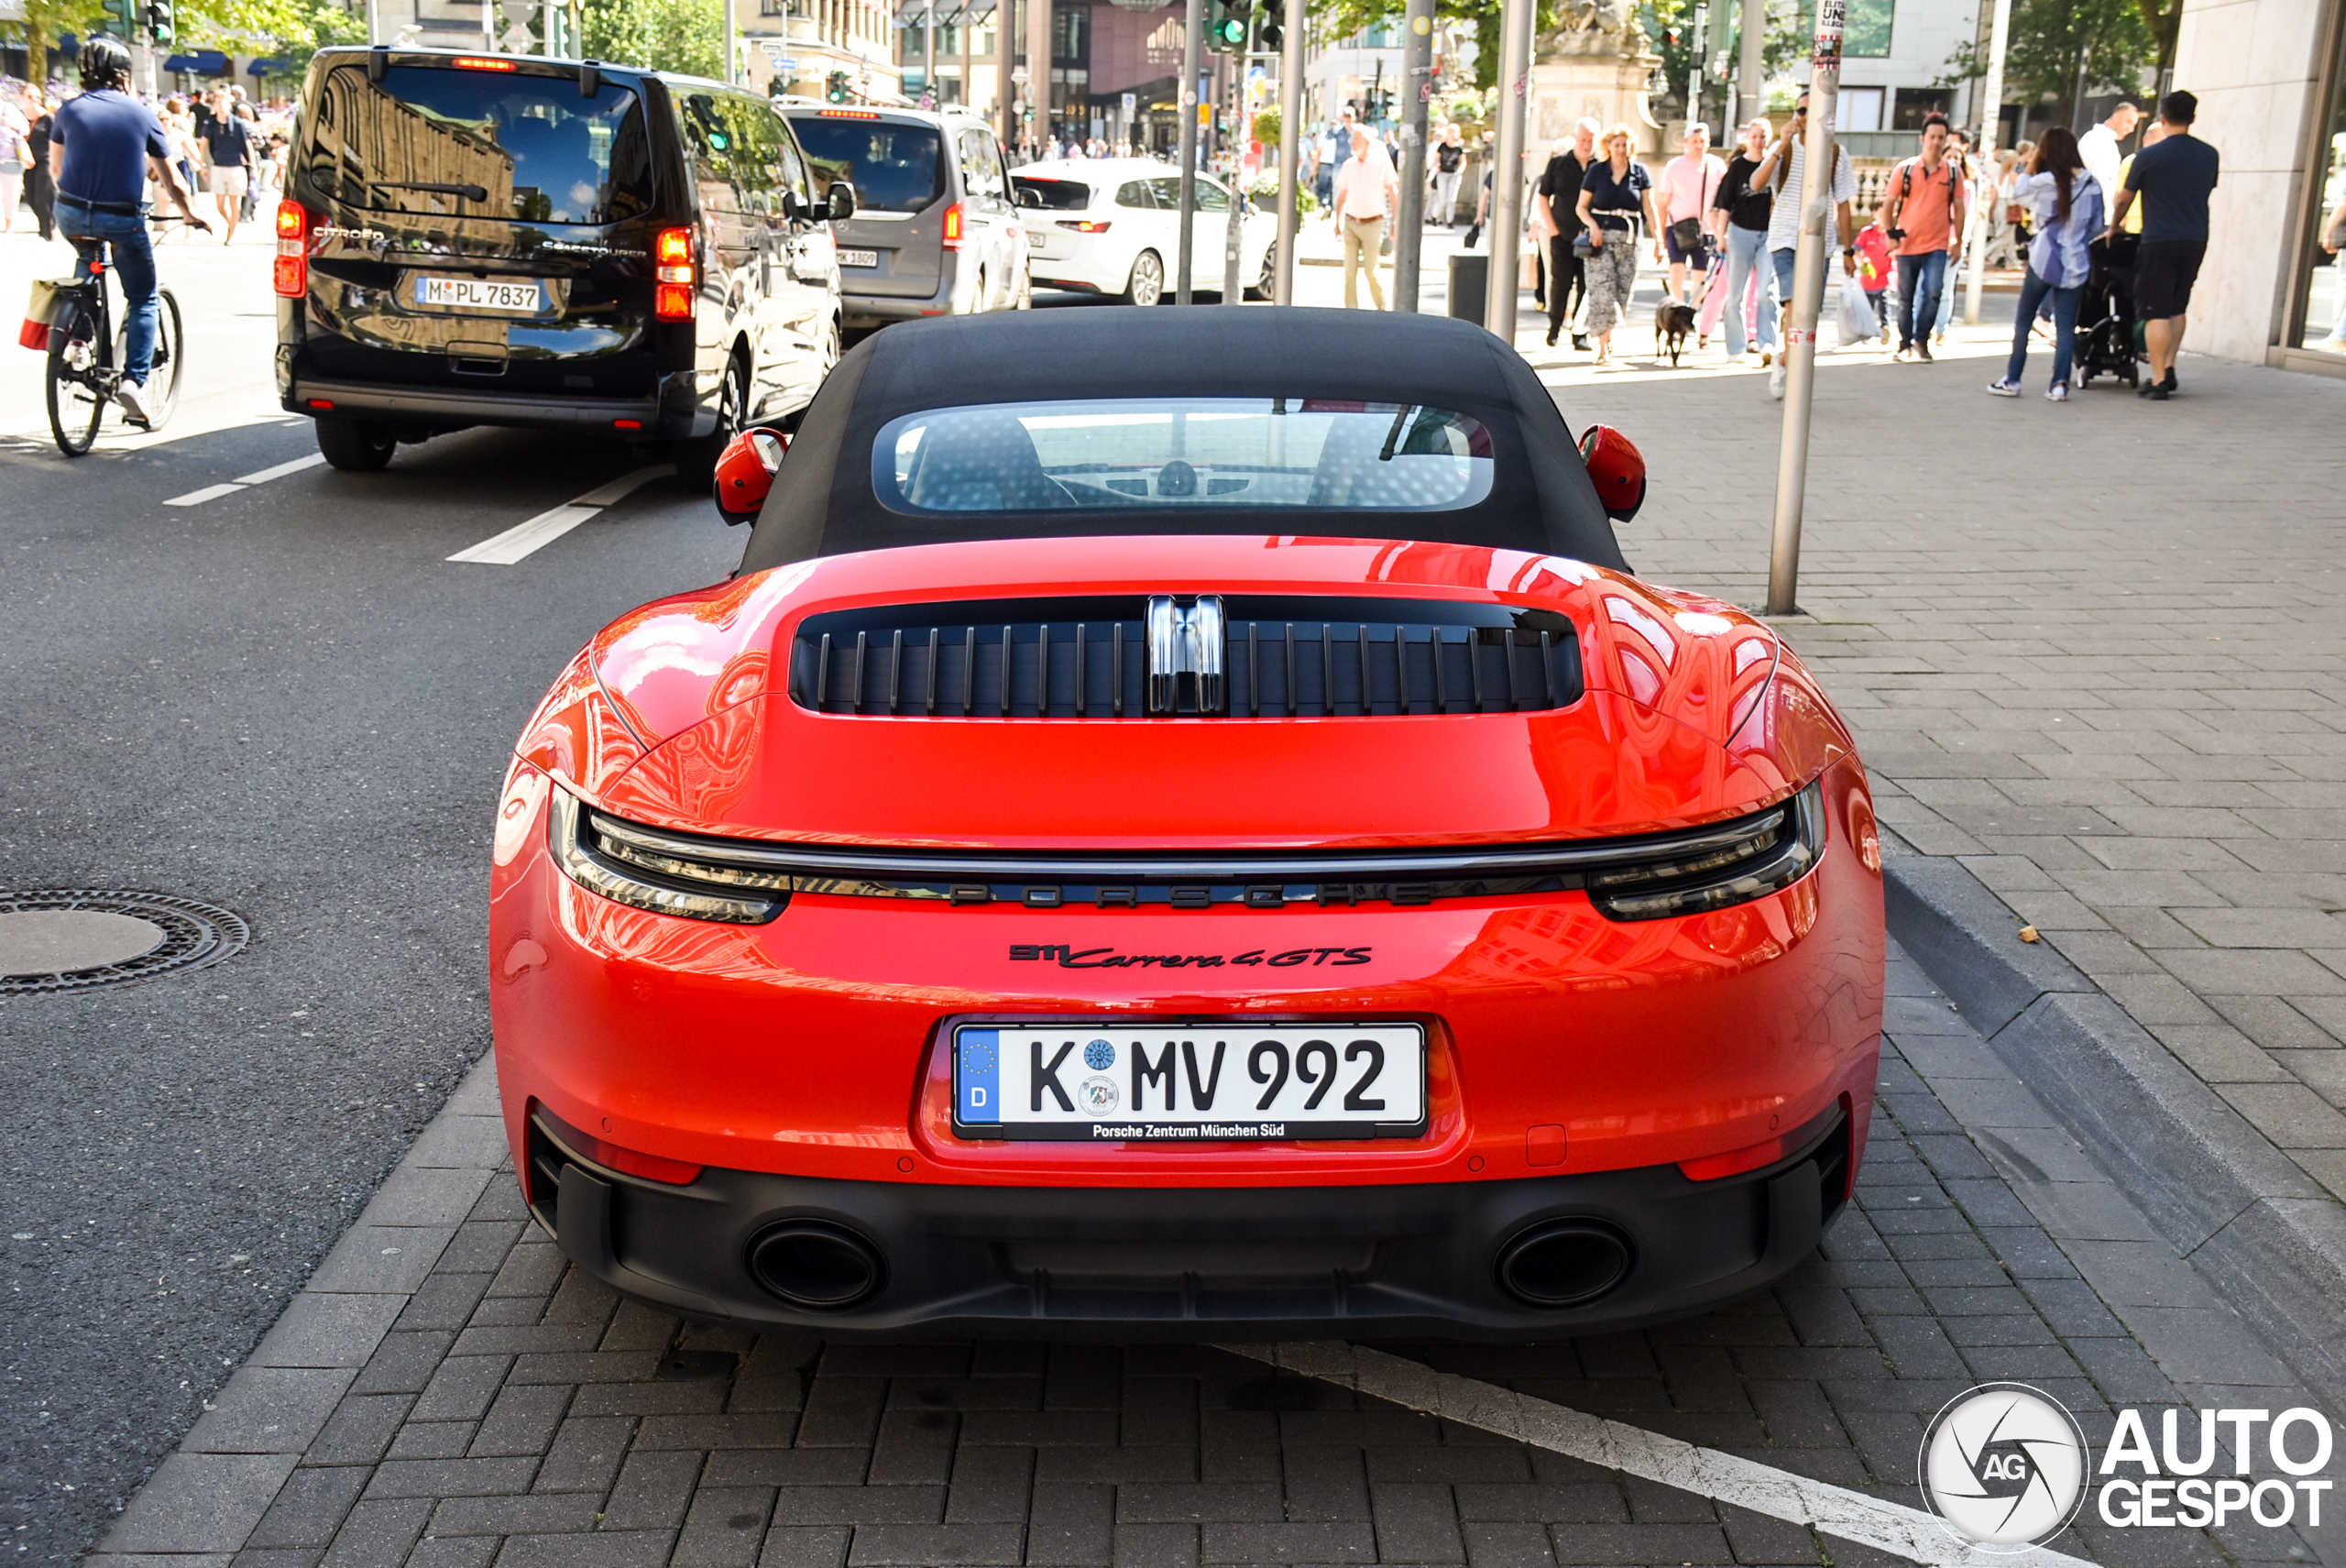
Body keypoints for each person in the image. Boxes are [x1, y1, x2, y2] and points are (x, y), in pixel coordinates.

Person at [45, 37, 212, 425]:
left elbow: (55, 171)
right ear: (123, 75)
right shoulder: (141, 115)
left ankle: (78, 338)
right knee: (143, 297)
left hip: (70, 214)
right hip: (121, 218)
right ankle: (134, 382)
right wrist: (189, 213)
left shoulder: (67, 111)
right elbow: (171, 178)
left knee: (88, 260)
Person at [2108, 89, 2218, 400]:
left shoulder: (2148, 156)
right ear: (2193, 118)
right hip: (2196, 237)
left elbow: (2124, 200)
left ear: (2163, 117)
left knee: (2155, 310)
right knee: (2177, 305)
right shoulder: (2209, 155)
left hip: (2158, 239)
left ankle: (2157, 380)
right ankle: (2169, 367)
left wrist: (2114, 226)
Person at [1751, 89, 1858, 398]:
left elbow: (1846, 203)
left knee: (1808, 311)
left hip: (1820, 243)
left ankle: (1786, 359)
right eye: (1800, 112)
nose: (1804, 118)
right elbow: (1756, 184)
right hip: (1784, 236)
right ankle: (1794, 368)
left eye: (1811, 111)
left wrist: (1848, 251)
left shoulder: (1836, 153)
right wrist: (1782, 143)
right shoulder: (1784, 148)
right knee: (1793, 304)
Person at [1986, 126, 2103, 402]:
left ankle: (2013, 379)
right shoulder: (2091, 184)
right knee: (2064, 327)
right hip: (2075, 263)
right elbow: (2097, 227)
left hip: (2044, 259)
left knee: (2024, 319)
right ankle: (2059, 384)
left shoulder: (2045, 181)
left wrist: (2034, 161)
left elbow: (2019, 191)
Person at [1874, 111, 1967, 361]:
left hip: (1937, 243)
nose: (1936, 142)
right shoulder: (1905, 170)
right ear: (1922, 138)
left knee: (1934, 291)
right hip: (1907, 243)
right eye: (1932, 137)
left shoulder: (1953, 172)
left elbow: (1959, 208)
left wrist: (1957, 240)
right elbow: (1889, 202)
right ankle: (1904, 343)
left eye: (1941, 137)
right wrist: (1890, 233)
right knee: (1905, 297)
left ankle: (1922, 340)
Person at [1573, 122, 1661, 367]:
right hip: (1600, 239)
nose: (1622, 149)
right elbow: (1581, 206)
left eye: (1625, 145)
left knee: (1621, 293)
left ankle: (1608, 335)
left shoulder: (1640, 172)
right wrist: (1592, 226)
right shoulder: (1596, 171)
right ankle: (1603, 347)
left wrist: (1659, 240)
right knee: (1602, 292)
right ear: (1608, 147)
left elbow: (1650, 208)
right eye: (1617, 145)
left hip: (1630, 238)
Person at [1705, 116, 1778, 363]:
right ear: (1748, 139)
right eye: (1754, 136)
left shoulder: (1774, 164)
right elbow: (1724, 204)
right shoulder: (1738, 167)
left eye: (1763, 137)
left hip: (1768, 234)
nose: (1758, 141)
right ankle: (1735, 348)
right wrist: (1720, 237)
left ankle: (1768, 342)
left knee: (1766, 290)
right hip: (1740, 232)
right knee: (1735, 293)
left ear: (1769, 139)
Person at [1535, 118, 1598, 347]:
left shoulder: (1599, 166)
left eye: (1590, 140)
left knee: (1586, 284)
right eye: (1583, 139)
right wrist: (1552, 229)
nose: (1586, 144)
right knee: (1560, 283)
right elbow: (1543, 197)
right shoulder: (1558, 163)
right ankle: (1554, 328)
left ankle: (1580, 334)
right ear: (1576, 139)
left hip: (1591, 238)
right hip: (1562, 234)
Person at [1657, 120, 1723, 307]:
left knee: (1701, 275)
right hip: (1677, 226)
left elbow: (1725, 199)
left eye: (1702, 141)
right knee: (1676, 272)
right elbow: (1662, 202)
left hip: (1705, 229)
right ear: (1685, 143)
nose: (1698, 145)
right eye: (1694, 141)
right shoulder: (1674, 166)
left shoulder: (1717, 166)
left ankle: (1691, 311)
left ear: (1708, 142)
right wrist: (1661, 237)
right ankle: (1678, 309)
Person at [1330, 125, 1396, 310]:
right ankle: (1351, 310)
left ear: (1367, 142)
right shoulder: (1348, 165)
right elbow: (1342, 195)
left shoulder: (1382, 163)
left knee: (1371, 270)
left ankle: (1381, 305)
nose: (1352, 143)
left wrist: (1394, 222)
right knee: (1349, 271)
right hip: (1352, 221)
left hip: (1373, 222)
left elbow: (1393, 191)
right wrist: (1338, 221)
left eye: (1356, 140)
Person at [200, 84, 255, 244]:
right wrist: (202, 165)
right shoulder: (211, 124)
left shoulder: (237, 123)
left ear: (229, 105)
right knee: (220, 204)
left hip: (236, 166)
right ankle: (231, 223)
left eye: (224, 102)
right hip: (218, 165)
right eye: (218, 103)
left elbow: (247, 144)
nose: (221, 106)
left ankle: (231, 234)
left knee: (234, 202)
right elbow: (203, 144)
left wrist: (252, 165)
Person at [2077, 101, 2139, 202]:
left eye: (2134, 125)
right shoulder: (2103, 142)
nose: (2131, 129)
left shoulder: (2092, 137)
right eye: (2129, 122)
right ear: (2116, 117)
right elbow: (2100, 184)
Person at [1433, 123, 1464, 226]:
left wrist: (1460, 170)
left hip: (1454, 174)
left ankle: (1450, 220)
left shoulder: (1459, 148)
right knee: (1442, 198)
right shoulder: (1442, 146)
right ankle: (1435, 215)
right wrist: (1438, 168)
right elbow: (1436, 159)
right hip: (1443, 174)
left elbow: (1463, 161)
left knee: (1452, 199)